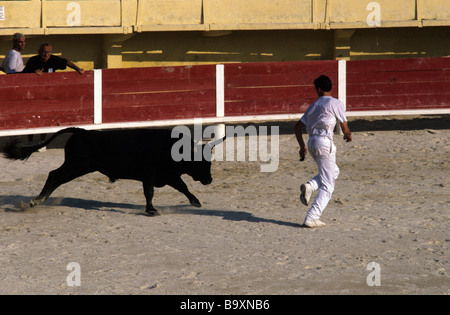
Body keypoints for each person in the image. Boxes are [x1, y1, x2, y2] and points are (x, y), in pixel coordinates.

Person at [294, 75, 352, 228]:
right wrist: (348, 134)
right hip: (325, 144)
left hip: (312, 143)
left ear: (318, 89)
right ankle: (312, 217)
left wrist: (302, 147)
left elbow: (297, 127)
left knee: (334, 171)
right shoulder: (336, 103)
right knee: (328, 185)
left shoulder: (313, 106)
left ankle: (311, 186)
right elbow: (344, 126)